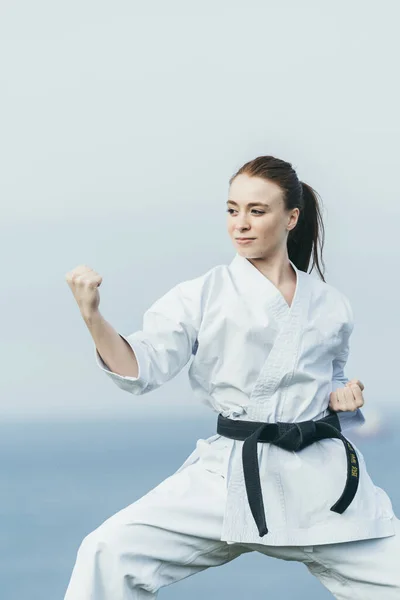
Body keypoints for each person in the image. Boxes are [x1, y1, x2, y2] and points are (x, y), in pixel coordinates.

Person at [64, 155, 399, 599]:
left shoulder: (331, 304)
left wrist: (344, 394)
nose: (240, 223)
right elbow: (141, 367)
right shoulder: (201, 294)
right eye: (232, 209)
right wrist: (93, 317)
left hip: (320, 483)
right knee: (106, 551)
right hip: (227, 478)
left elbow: (331, 380)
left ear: (290, 217)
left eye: (256, 211)